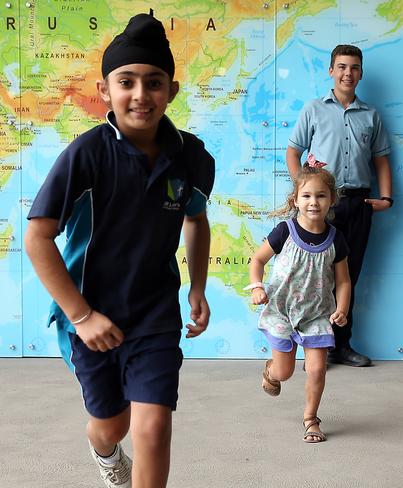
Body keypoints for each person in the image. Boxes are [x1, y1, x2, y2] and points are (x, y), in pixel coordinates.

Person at [24, 12, 215, 488]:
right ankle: (104, 450)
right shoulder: (85, 156)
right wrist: (83, 316)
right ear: (105, 90)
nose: (140, 94)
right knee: (115, 424)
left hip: (155, 313)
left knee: (153, 425)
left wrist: (197, 286)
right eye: (126, 81)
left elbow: (195, 217)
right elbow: (37, 237)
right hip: (90, 315)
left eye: (154, 83)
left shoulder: (192, 157)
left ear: (171, 90)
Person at [286, 44, 392, 367]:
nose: (348, 73)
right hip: (321, 207)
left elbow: (381, 160)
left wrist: (385, 199)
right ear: (331, 70)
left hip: (358, 203)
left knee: (349, 276)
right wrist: (303, 193)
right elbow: (294, 152)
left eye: (355, 67)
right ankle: (315, 346)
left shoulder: (371, 115)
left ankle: (341, 345)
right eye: (342, 66)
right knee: (316, 276)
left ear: (361, 73)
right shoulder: (314, 110)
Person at [248, 157, 351, 443]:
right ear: (295, 199)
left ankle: (311, 419)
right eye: (306, 195)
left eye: (321, 196)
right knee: (285, 372)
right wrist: (257, 286)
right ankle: (271, 369)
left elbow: (343, 281)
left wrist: (342, 308)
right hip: (282, 310)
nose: (313, 202)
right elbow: (257, 259)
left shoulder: (336, 239)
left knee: (317, 368)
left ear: (332, 200)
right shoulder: (285, 232)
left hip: (317, 314)